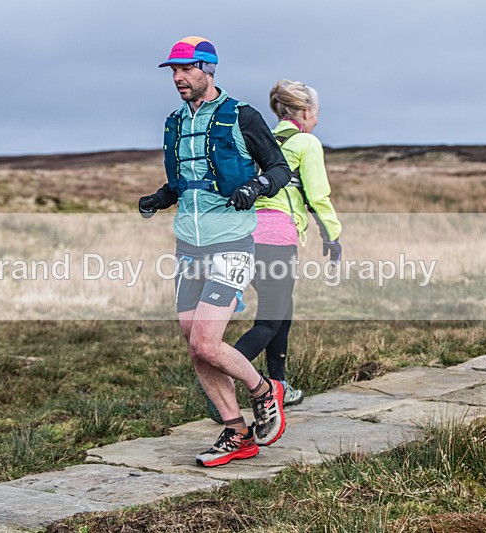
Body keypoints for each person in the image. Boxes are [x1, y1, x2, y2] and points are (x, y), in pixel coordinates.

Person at [139, 36, 293, 467]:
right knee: (194, 343)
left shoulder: (240, 116)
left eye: (185, 69)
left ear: (209, 68)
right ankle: (235, 430)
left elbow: (279, 169)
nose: (177, 78)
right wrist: (160, 197)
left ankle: (265, 392)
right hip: (188, 244)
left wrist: (255, 187)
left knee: (208, 342)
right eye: (173, 71)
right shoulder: (173, 121)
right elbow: (184, 182)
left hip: (231, 242)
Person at [205, 80, 343, 422]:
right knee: (269, 319)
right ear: (305, 112)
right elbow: (317, 195)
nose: (317, 120)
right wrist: (332, 235)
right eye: (317, 113)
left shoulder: (262, 138)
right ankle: (220, 384)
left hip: (244, 234)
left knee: (283, 309)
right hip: (276, 238)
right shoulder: (306, 143)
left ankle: (280, 384)